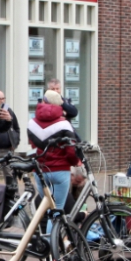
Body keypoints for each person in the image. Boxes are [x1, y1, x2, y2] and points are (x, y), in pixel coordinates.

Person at [27, 90, 80, 228]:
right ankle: (53, 244)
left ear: (43, 102)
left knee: (46, 206)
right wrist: (75, 162)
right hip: (60, 170)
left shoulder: (32, 123)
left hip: (40, 170)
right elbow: (71, 151)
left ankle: (43, 239)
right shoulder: (64, 124)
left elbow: (32, 148)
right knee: (57, 209)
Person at [0, 90, 21, 183]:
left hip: (8, 150)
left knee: (11, 174)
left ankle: (12, 195)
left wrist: (15, 142)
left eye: (3, 98)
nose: (2, 101)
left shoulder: (9, 111)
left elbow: (16, 128)